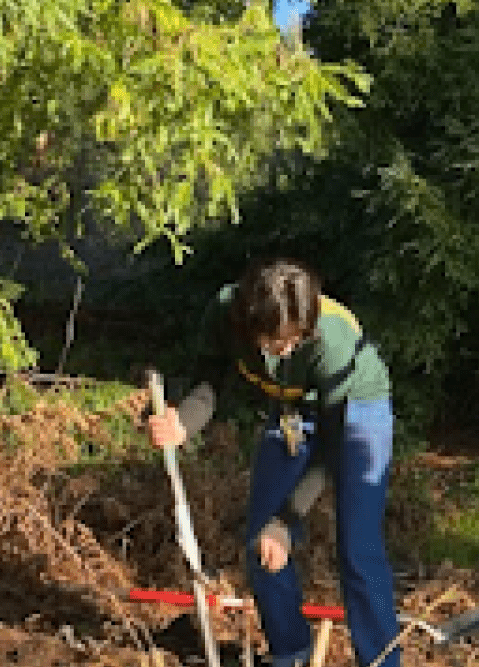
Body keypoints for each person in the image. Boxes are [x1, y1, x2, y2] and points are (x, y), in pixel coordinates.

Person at [146, 257, 400, 667]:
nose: (287, 352)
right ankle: (290, 654)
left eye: (295, 342)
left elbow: (331, 450)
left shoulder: (329, 337)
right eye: (277, 344)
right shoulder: (225, 314)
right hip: (292, 412)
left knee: (357, 547)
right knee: (259, 543)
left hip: (356, 412)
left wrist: (288, 520)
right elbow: (209, 382)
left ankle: (381, 660)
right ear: (249, 326)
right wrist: (183, 423)